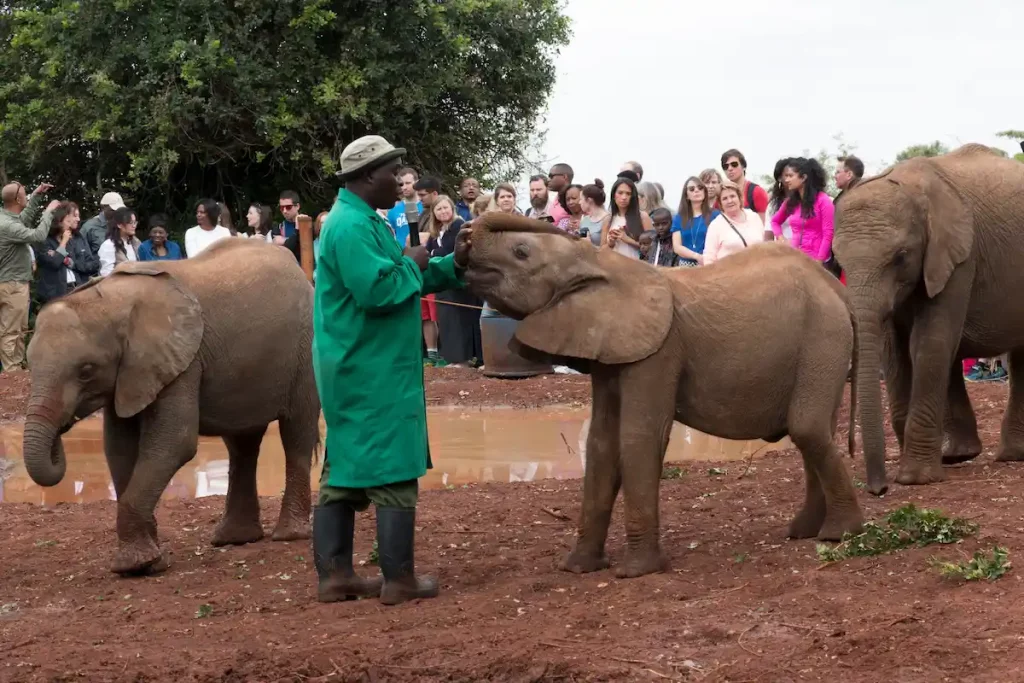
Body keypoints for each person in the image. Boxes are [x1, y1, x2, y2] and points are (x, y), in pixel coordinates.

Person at [312, 134, 470, 606]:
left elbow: (403, 276)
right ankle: (398, 579)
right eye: (392, 173)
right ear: (365, 177)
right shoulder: (351, 227)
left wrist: (449, 263)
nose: (403, 182)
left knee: (343, 471)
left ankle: (335, 576)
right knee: (394, 467)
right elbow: (380, 290)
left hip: (357, 365)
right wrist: (415, 263)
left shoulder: (361, 219)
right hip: (370, 368)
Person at [0, 181, 53, 372]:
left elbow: (22, 219)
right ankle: (11, 372)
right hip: (11, 284)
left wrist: (37, 195)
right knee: (11, 331)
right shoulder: (6, 225)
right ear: (17, 199)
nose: (27, 195)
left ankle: (16, 369)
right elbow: (38, 235)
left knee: (19, 329)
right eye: (25, 193)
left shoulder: (7, 217)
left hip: (15, 283)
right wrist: (48, 213)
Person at [426, 196, 482, 366]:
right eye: (439, 209)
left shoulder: (459, 226)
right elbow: (429, 250)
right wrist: (436, 252)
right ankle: (454, 357)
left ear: (452, 208)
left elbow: (449, 250)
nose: (443, 212)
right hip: (444, 282)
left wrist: (435, 253)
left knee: (461, 320)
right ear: (434, 213)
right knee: (448, 320)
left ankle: (464, 358)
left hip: (459, 280)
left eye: (445, 208)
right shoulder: (438, 231)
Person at [770, 157, 836, 270]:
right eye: (785, 176)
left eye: (790, 176)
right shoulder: (790, 202)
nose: (786, 180)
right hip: (795, 260)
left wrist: (819, 262)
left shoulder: (823, 201)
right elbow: (775, 221)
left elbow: (828, 234)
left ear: (804, 177)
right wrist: (781, 239)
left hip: (818, 263)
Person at [34, 201, 87, 303]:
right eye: (68, 221)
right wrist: (63, 243)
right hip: (55, 293)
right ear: (59, 221)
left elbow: (75, 264)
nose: (70, 225)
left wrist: (59, 253)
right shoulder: (44, 241)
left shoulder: (71, 240)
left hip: (75, 287)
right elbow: (55, 263)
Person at [703, 180, 764, 265]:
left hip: (756, 273)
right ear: (720, 203)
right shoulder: (715, 225)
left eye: (732, 196)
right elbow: (709, 258)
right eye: (725, 198)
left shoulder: (754, 217)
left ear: (739, 197)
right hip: (728, 275)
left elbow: (763, 245)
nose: (729, 201)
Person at [671, 176, 720, 266]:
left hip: (710, 264)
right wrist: (696, 256)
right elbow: (677, 247)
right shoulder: (679, 218)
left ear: (704, 192)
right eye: (692, 189)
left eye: (700, 188)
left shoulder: (716, 215)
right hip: (685, 266)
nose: (696, 190)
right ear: (686, 195)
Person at [601, 176, 652, 259]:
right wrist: (611, 242)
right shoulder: (608, 219)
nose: (624, 197)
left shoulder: (642, 217)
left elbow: (652, 247)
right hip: (614, 266)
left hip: (637, 266)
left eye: (628, 194)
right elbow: (602, 250)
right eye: (620, 193)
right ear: (614, 195)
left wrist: (627, 239)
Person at [720, 149, 769, 222]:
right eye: (725, 166)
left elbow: (763, 226)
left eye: (734, 164)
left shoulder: (757, 192)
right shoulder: (721, 194)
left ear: (744, 166)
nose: (730, 168)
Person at [98, 206, 141, 276]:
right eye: (130, 223)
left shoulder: (136, 242)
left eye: (135, 222)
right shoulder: (108, 245)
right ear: (119, 225)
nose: (134, 226)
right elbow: (106, 274)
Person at [386, 167, 422, 248]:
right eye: (401, 184)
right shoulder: (394, 210)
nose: (404, 187)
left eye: (408, 183)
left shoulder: (425, 208)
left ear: (417, 183)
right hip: (402, 255)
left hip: (423, 253)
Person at [578, 181, 607, 246]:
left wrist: (589, 244)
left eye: (581, 199)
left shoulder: (607, 219)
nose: (579, 202)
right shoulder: (585, 220)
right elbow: (583, 242)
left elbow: (606, 249)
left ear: (589, 200)